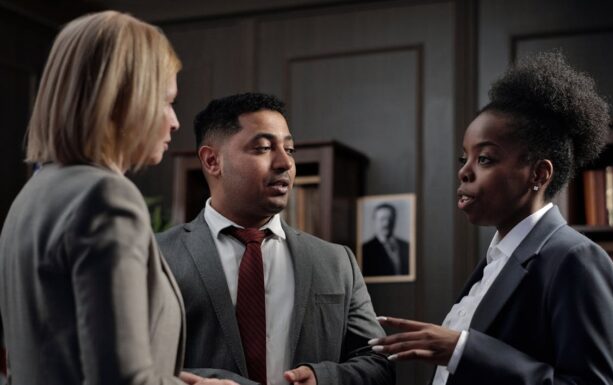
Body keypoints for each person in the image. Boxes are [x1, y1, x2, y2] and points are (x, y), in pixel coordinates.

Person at [0, 11, 237, 385]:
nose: (174, 121)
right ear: (124, 100)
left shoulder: (33, 195)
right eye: (166, 100)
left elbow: (63, 357)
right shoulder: (106, 196)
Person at [368, 52, 613, 384]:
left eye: (486, 159)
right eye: (465, 158)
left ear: (538, 173)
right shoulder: (495, 261)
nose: (464, 171)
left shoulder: (576, 259)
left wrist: (463, 348)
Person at [156, 92, 394, 385]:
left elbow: (379, 365)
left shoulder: (336, 261)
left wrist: (324, 378)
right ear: (212, 160)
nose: (285, 163)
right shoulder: (158, 256)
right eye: (263, 148)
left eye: (290, 150)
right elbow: (130, 364)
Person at [361, 203, 410, 276]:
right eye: (382, 219)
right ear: (374, 221)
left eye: (390, 219)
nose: (386, 223)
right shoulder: (365, 250)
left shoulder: (406, 246)